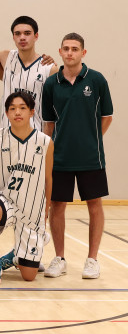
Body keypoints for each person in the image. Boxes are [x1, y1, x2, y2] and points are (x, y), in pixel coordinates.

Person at [42, 33, 113, 279]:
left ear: (83, 53)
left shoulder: (97, 79)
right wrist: (48, 153)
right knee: (57, 206)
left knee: (94, 205)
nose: (70, 52)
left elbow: (107, 117)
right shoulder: (51, 84)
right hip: (59, 157)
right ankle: (59, 258)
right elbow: (48, 124)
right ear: (60, 52)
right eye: (66, 48)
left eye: (75, 49)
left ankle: (92, 260)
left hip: (91, 157)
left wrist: (92, 140)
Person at [0, 91, 53, 285]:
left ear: (32, 112)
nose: (17, 112)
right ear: (6, 113)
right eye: (12, 108)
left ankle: (15, 256)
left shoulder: (45, 142)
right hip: (7, 200)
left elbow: (48, 179)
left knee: (29, 276)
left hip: (32, 208)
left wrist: (45, 211)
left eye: (22, 108)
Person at [0, 16, 57, 130]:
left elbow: (53, 113)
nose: (22, 37)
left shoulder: (49, 68)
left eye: (27, 33)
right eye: (17, 34)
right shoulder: (5, 56)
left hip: (35, 134)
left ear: (36, 36)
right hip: (7, 133)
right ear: (13, 37)